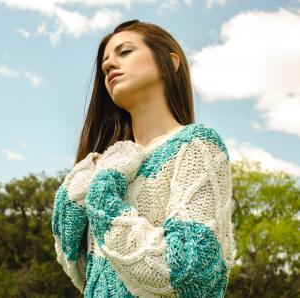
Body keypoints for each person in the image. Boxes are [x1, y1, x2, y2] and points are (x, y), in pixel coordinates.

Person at [51, 19, 235, 297]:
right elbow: (78, 269)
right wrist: (87, 177)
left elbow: (191, 271)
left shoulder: (197, 146)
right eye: (104, 65)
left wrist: (103, 195)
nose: (110, 65)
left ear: (168, 63)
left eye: (124, 52)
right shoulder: (108, 166)